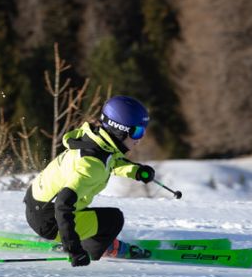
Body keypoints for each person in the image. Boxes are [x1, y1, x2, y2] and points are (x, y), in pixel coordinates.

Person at [24, 95, 156, 266]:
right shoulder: (92, 165)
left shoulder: (94, 141)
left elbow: (110, 161)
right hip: (49, 220)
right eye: (138, 132)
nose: (140, 139)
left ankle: (73, 237)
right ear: (120, 130)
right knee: (113, 220)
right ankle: (100, 248)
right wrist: (74, 249)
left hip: (37, 204)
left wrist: (136, 171)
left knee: (99, 216)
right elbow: (63, 205)